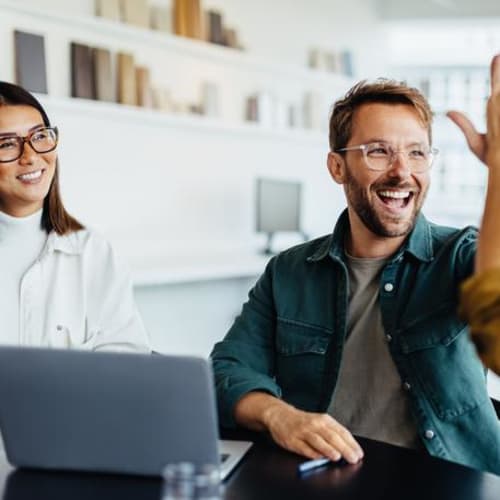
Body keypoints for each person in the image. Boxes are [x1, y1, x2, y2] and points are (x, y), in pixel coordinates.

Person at [211, 57, 500, 475]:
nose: (402, 172)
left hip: (448, 483)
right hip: (329, 480)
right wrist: (280, 416)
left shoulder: (459, 256)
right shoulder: (289, 271)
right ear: (337, 167)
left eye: (417, 153)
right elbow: (228, 369)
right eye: (379, 151)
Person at [0, 81, 150, 353]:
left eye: (40, 136)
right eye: (7, 144)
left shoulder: (94, 252)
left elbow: (127, 362)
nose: (31, 156)